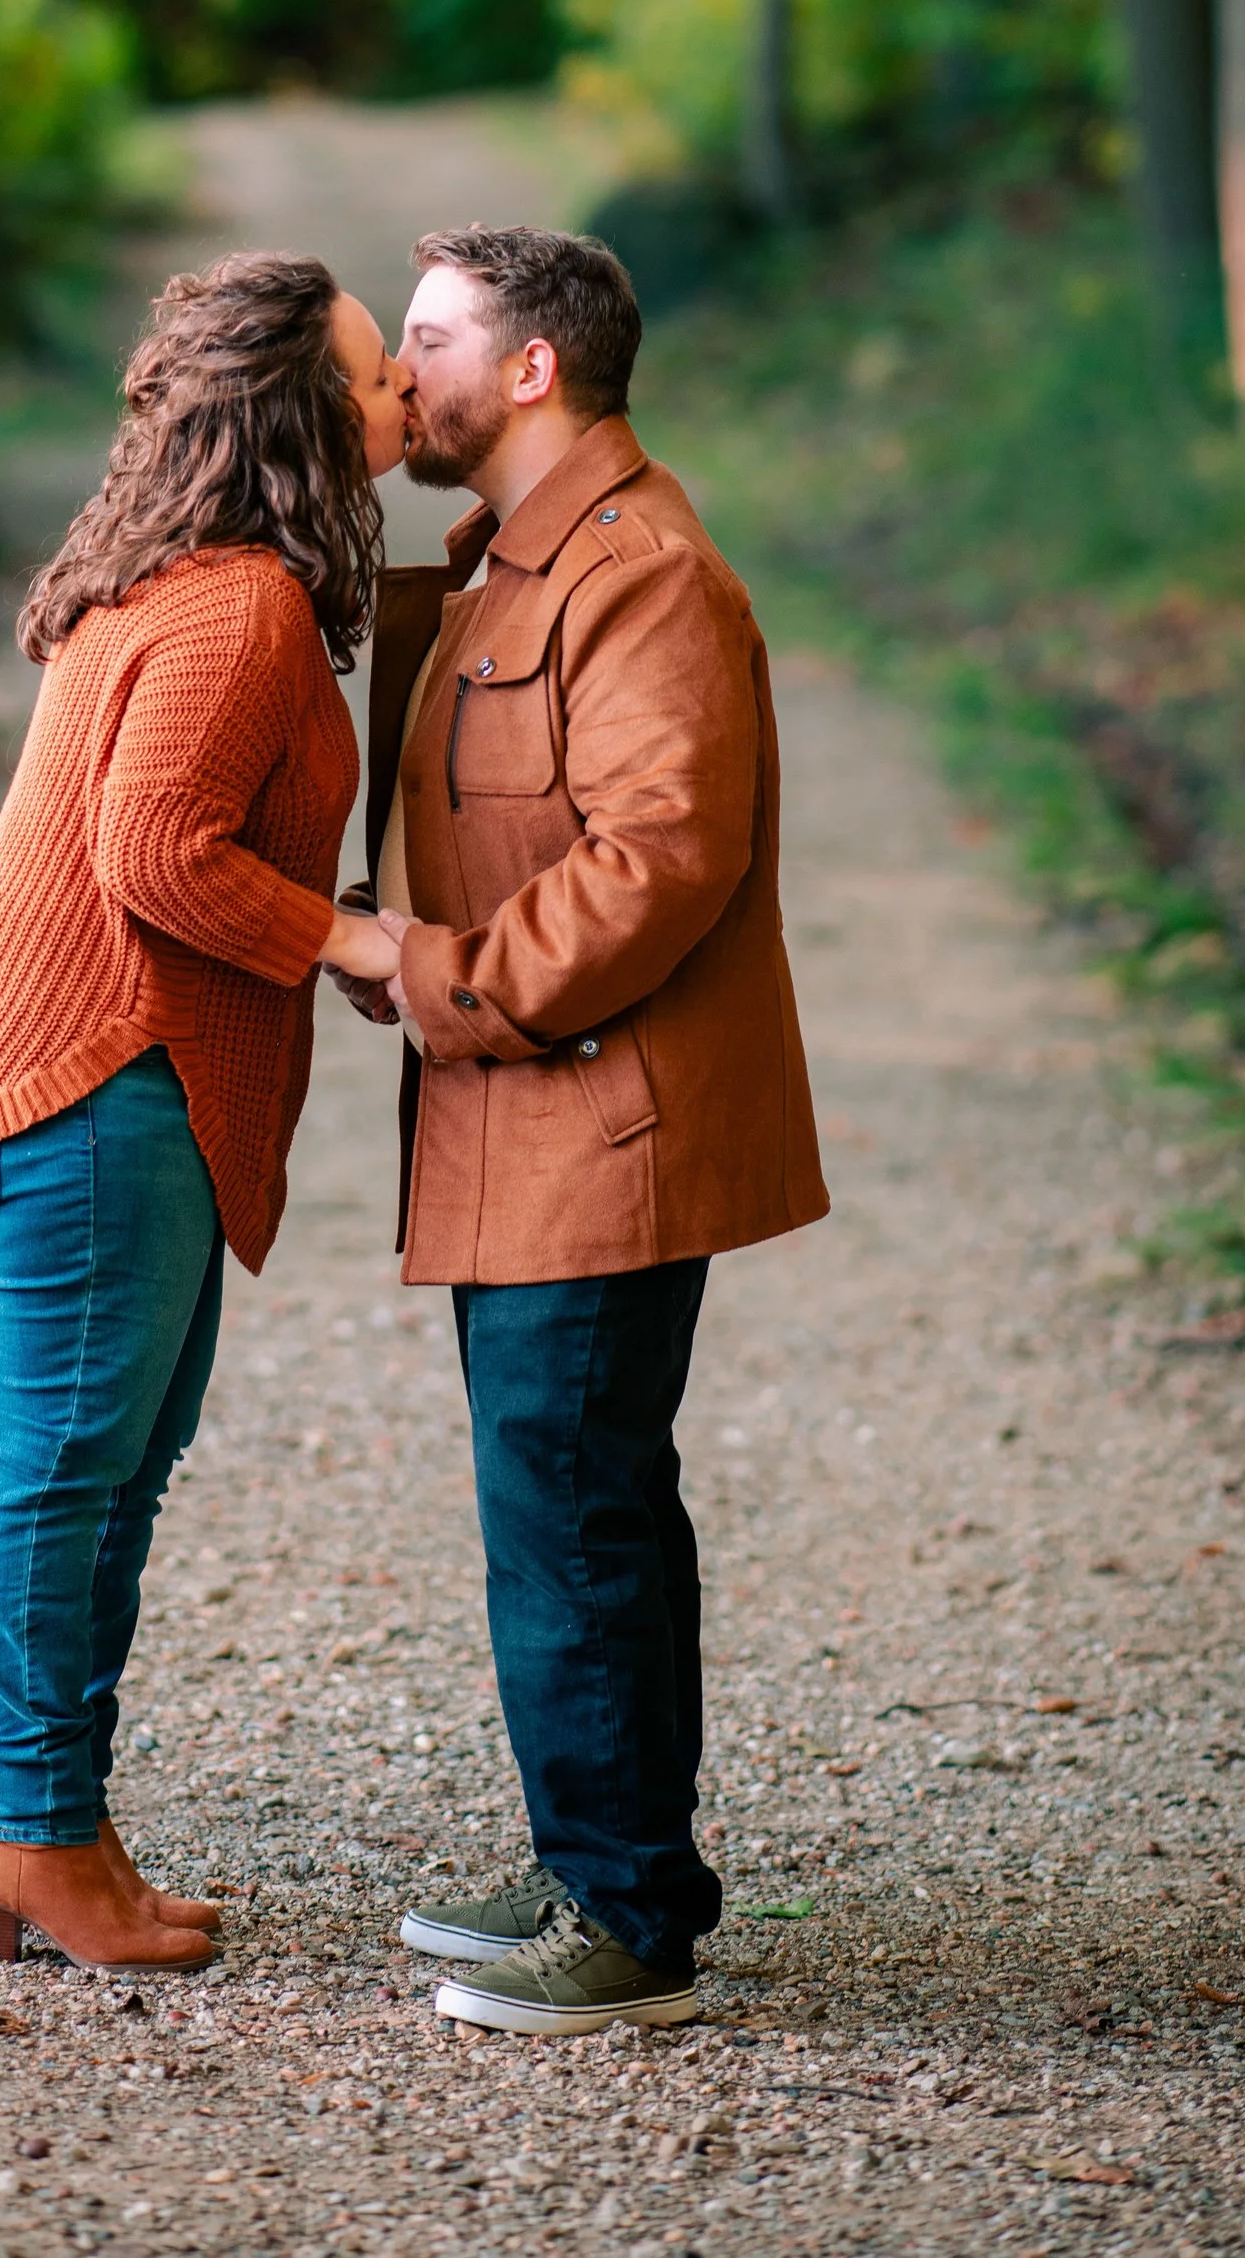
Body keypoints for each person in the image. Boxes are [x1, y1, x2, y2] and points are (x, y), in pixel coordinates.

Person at [0, 252, 408, 1971]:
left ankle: (57, 1829)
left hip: (88, 1076)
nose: (404, 395)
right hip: (89, 1079)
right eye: (376, 375)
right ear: (300, 417)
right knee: (60, 1474)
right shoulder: (239, 600)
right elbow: (155, 851)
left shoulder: (178, 576)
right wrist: (347, 932)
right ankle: (29, 1833)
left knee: (110, 1469)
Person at [341, 223, 827, 2035]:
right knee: (565, 1501)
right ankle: (602, 1861)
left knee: (574, 1507)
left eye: (431, 337)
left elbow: (659, 862)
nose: (405, 371)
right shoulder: (498, 566)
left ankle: (624, 1923)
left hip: (597, 1123)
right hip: (519, 1113)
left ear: (533, 366)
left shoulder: (644, 577)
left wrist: (430, 964)